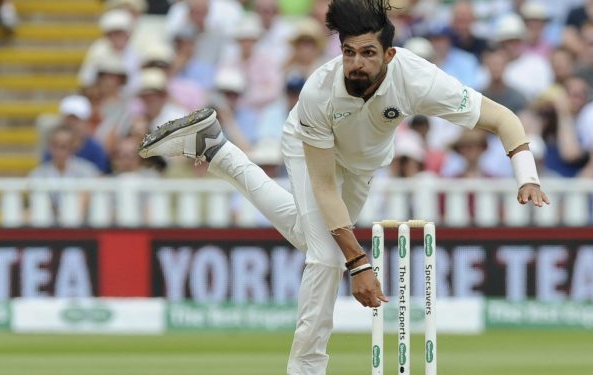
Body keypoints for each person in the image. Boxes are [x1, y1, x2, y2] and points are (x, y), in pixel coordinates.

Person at [138, 1, 549, 374]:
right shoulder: (320, 91)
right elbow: (322, 186)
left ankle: (216, 149)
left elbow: (502, 119)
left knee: (318, 239)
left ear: (389, 55)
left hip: (363, 165)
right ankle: (306, 369)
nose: (356, 63)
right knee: (327, 257)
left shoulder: (417, 79)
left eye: (368, 53)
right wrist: (359, 263)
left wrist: (526, 175)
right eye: (349, 52)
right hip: (308, 149)